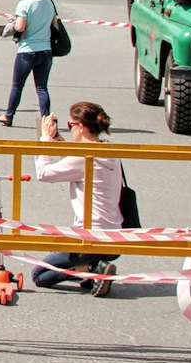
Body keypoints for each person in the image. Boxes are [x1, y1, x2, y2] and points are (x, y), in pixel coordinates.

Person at [31, 101, 123, 294]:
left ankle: (92, 269)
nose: (69, 130)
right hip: (116, 238)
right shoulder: (110, 151)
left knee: (39, 275)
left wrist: (45, 139)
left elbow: (44, 173)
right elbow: (79, 159)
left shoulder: (83, 158)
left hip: (90, 239)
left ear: (80, 127)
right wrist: (61, 144)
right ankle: (93, 269)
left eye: (70, 125)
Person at [0, 0, 55, 127]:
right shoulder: (49, 2)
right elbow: (54, 23)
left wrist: (13, 23)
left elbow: (20, 27)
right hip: (46, 50)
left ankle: (8, 115)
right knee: (42, 88)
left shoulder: (24, 5)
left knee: (17, 85)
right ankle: (46, 120)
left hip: (27, 50)